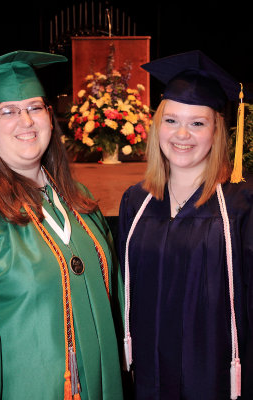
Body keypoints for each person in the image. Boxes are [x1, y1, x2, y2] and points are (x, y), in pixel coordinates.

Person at [0, 51, 124, 400]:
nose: (26, 121)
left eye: (34, 107)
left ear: (50, 116)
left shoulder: (78, 199)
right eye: (8, 111)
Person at [118, 50, 253, 400]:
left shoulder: (241, 204)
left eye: (197, 123)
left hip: (214, 376)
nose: (183, 135)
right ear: (156, 126)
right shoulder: (136, 200)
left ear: (216, 130)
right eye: (171, 120)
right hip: (149, 374)